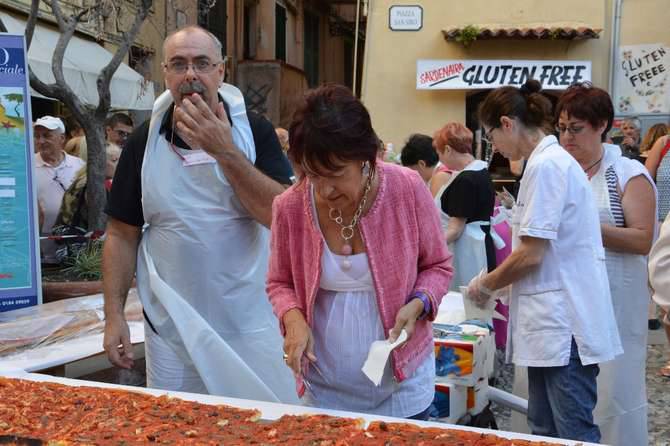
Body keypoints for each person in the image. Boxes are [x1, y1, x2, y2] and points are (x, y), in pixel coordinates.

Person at [102, 26, 297, 403]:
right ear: (165, 74)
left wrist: (224, 151)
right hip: (173, 325)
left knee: (264, 425)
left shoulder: (252, 132)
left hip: (248, 322)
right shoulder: (144, 139)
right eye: (179, 64)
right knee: (178, 426)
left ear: (221, 72)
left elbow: (280, 217)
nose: (191, 74)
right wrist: (114, 316)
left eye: (202, 63)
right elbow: (121, 234)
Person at [267, 84, 453, 418]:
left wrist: (419, 302)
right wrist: (293, 319)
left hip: (401, 389)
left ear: (366, 159)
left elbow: (438, 266)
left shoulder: (406, 189)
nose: (324, 189)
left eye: (336, 174)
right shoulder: (290, 206)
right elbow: (279, 282)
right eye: (310, 173)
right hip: (323, 392)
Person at [467, 79, 622, 443]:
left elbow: (532, 253)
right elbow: (539, 248)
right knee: (544, 430)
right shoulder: (544, 163)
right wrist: (501, 284)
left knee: (571, 431)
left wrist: (485, 285)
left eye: (492, 137)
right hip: (550, 321)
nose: (496, 148)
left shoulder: (548, 166)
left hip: (563, 322)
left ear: (507, 124)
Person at [555, 83, 656, 446]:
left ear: (602, 126)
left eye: (576, 128)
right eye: (562, 127)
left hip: (614, 302)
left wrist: (583, 230)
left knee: (612, 392)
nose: (567, 137)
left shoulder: (627, 174)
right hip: (565, 303)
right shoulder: (560, 171)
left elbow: (642, 238)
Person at [433, 122, 496, 290]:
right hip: (479, 245)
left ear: (447, 149)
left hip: (468, 252)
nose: (440, 160)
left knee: (466, 306)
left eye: (439, 153)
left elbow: (455, 229)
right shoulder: (480, 170)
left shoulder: (466, 179)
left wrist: (430, 247)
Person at [33, 115, 86, 263]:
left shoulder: (79, 166)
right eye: (37, 136)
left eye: (47, 136)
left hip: (74, 245)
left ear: (62, 138)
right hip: (41, 248)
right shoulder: (27, 167)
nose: (40, 141)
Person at [54, 143, 122, 231]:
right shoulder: (92, 185)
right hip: (83, 239)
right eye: (114, 160)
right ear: (100, 162)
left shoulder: (85, 179)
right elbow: (100, 218)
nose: (119, 164)